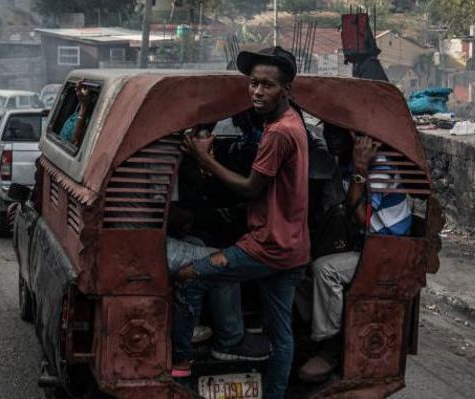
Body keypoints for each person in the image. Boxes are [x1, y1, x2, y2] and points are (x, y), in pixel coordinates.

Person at [173, 46, 309, 399]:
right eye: (253, 84)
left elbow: (250, 188)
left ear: (287, 90)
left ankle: (181, 365)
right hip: (293, 247)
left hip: (266, 247)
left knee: (189, 277)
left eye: (268, 86)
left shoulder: (278, 133)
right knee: (281, 335)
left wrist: (204, 158)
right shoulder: (295, 124)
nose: (257, 92)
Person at [297, 125, 412, 383]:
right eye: (328, 133)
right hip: (367, 246)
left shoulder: (380, 167)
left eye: (338, 134)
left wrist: (361, 171)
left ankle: (332, 345)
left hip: (386, 252)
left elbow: (361, 220)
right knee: (297, 265)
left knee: (325, 270)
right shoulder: (347, 165)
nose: (330, 140)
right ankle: (316, 331)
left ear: (356, 137)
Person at [59, 81, 92, 147]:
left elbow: (75, 142)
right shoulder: (74, 116)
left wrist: (83, 106)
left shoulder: (93, 121)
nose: (78, 94)